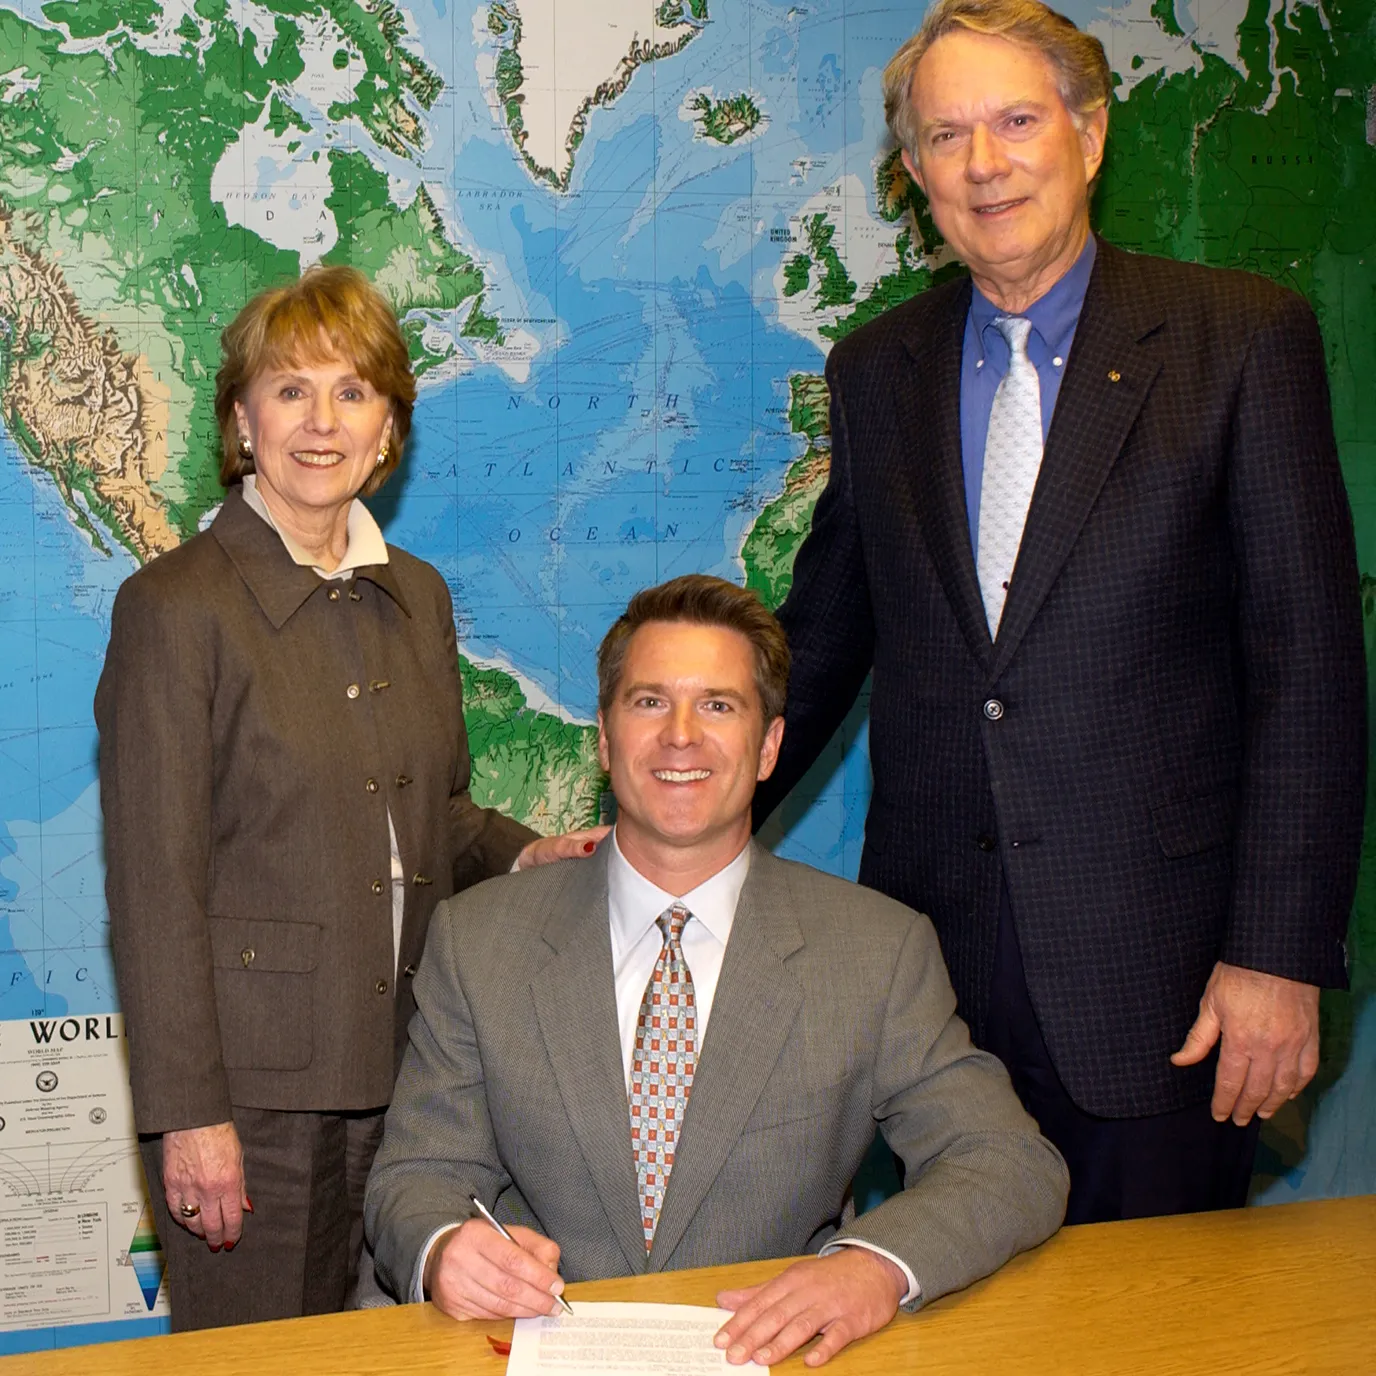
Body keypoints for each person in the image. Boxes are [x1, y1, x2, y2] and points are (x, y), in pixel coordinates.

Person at [752, 0, 1366, 1224]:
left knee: (1154, 1330)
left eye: (1015, 121)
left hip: (1168, 980)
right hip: (932, 981)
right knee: (948, 1315)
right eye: (944, 136)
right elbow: (817, 644)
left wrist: (1278, 953)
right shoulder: (876, 368)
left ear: (1088, 136)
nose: (982, 163)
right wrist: (668, 827)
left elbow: (1308, 670)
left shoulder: (1237, 340)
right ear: (913, 171)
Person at [365, 574, 1068, 1369]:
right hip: (527, 1352)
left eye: (720, 706)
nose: (681, 737)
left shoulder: (877, 951)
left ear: (769, 747)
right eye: (649, 702)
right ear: (604, 737)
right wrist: (443, 1248)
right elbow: (417, 1175)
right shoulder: (478, 939)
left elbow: (1009, 1161)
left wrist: (873, 1268)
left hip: (773, 1359)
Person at [95, 265, 605, 1330]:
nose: (321, 422)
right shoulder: (174, 608)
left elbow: (438, 812)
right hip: (251, 1099)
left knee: (410, 1351)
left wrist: (525, 855)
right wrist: (191, 1117)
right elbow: (155, 886)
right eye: (290, 390)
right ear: (242, 418)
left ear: (388, 428)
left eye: (352, 391)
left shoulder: (413, 594)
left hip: (414, 1079)